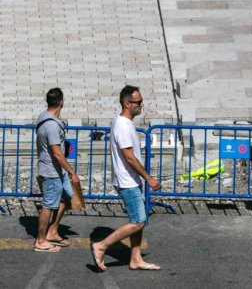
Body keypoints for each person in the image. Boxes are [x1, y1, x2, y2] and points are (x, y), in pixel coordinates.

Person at [89, 85, 161, 272]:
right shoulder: (122, 124)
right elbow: (129, 157)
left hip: (131, 179)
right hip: (127, 181)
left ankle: (136, 258)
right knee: (138, 221)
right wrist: (148, 178)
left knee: (138, 220)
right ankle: (101, 246)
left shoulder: (125, 122)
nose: (141, 105)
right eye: (138, 102)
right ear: (127, 104)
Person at [34, 88, 80, 252]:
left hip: (56, 170)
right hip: (51, 171)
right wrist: (72, 172)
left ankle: (52, 231)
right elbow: (57, 153)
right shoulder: (52, 125)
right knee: (48, 205)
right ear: (61, 102)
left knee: (66, 196)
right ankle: (40, 241)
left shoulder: (44, 116)